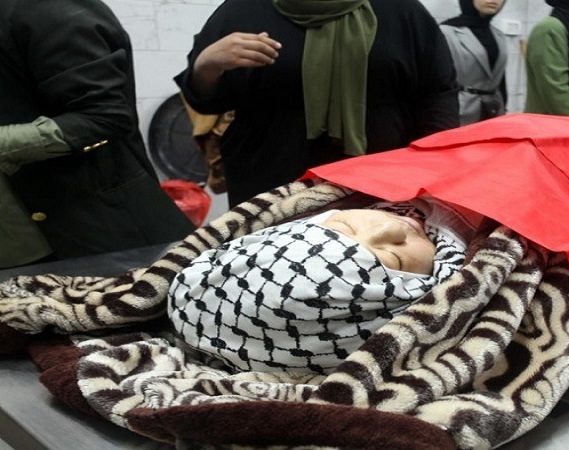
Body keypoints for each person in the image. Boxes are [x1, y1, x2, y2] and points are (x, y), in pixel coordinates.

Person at [175, 0, 460, 208]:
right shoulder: (243, 10)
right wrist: (206, 65)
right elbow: (206, 101)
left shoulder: (401, 10)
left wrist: (433, 166)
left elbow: (437, 92)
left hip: (381, 181)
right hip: (270, 182)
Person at [168, 196, 480, 374]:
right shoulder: (477, 260)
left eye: (343, 225)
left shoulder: (362, 194)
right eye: (394, 260)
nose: (392, 226)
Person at [0, 0, 196, 269]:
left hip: (96, 237)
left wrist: (6, 144)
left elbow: (105, 116)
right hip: (18, 244)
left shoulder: (46, 9)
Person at [440, 0, 509, 125]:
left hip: (494, 112)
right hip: (460, 113)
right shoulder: (447, 32)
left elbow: (500, 81)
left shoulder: (499, 35)